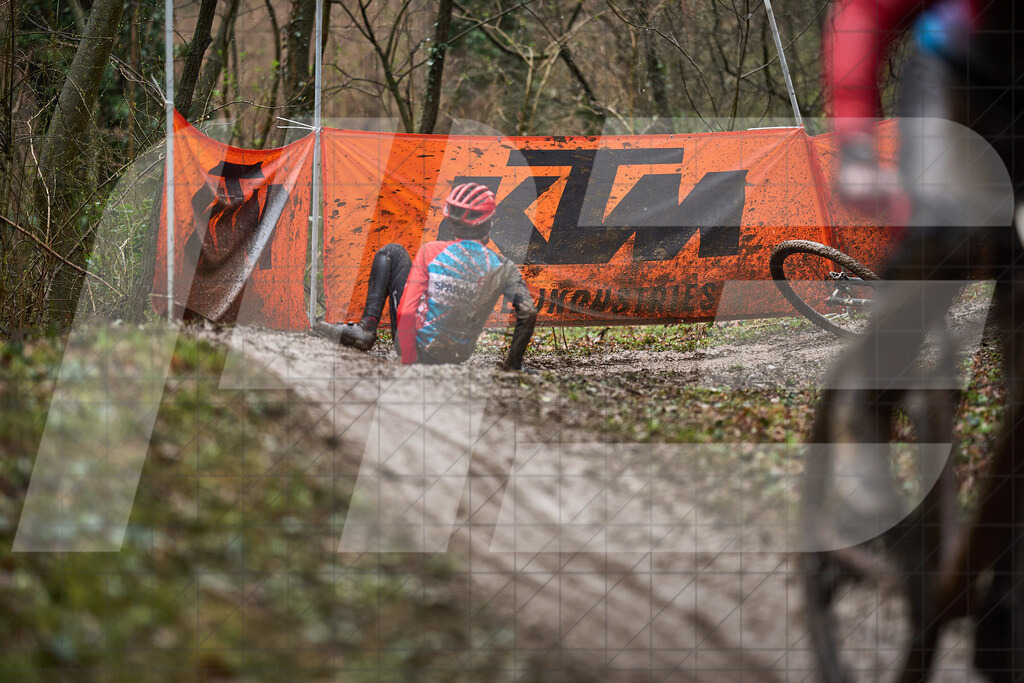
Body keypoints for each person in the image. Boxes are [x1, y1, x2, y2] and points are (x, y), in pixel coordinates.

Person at [817, 0, 1024, 677]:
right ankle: (865, 404)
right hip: (965, 79)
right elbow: (866, 13)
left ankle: (1003, 596)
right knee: (944, 242)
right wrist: (853, 140)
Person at [314, 182, 538, 370]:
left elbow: (406, 310)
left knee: (393, 252)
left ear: (451, 222)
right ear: (489, 223)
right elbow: (528, 312)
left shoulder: (431, 251)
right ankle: (511, 365)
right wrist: (512, 365)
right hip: (458, 355)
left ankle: (367, 328)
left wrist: (410, 360)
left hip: (416, 348)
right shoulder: (504, 267)